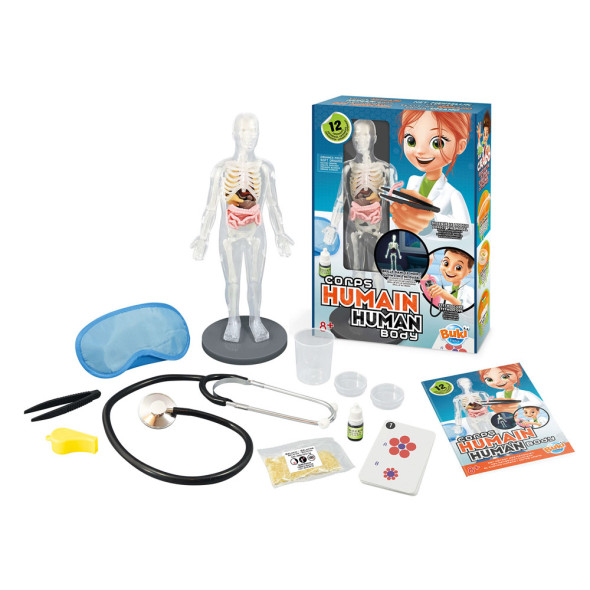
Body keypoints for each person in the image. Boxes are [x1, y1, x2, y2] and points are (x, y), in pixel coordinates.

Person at [390, 110, 471, 236]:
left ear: (460, 146)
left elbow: (465, 230)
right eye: (411, 140)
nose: (420, 151)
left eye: (437, 143)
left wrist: (429, 224)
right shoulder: (412, 181)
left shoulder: (452, 194)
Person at [479, 364, 544, 414]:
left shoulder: (524, 393)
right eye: (489, 379)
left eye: (504, 376)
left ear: (519, 374)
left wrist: (517, 406)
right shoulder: (499, 394)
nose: (496, 382)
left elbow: (538, 402)